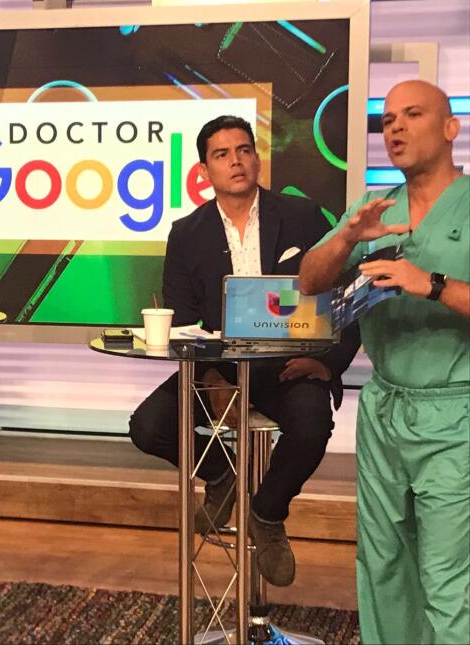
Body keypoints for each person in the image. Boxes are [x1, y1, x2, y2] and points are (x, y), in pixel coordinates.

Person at [129, 115, 360, 587]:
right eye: (222, 154)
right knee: (149, 426)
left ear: (256, 158)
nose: (235, 161)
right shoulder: (186, 233)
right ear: (204, 170)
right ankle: (222, 475)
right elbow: (184, 318)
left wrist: (327, 362)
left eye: (244, 150)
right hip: (220, 368)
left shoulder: (302, 216)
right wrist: (211, 377)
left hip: (289, 364)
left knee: (313, 424)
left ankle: (268, 512)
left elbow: (348, 291)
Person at [299, 80, 469, 643]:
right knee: (383, 565)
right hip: (384, 410)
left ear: (451, 128)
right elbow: (308, 283)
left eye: (412, 114)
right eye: (388, 118)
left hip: (457, 414)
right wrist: (346, 238)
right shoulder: (374, 209)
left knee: (448, 576)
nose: (395, 127)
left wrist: (433, 284)